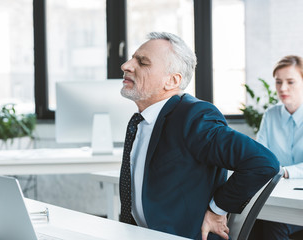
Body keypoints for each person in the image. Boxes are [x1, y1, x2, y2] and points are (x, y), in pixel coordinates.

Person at [118, 31, 280, 240]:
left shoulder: (194, 116)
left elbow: (263, 162)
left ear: (172, 80)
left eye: (143, 62)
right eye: (132, 58)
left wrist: (217, 210)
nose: (126, 65)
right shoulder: (144, 119)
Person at [249, 55, 303, 239]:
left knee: (274, 225)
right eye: (278, 82)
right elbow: (259, 156)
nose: (283, 88)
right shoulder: (271, 115)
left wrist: (285, 172)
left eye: (290, 82)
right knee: (251, 223)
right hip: (275, 192)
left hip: (297, 199)